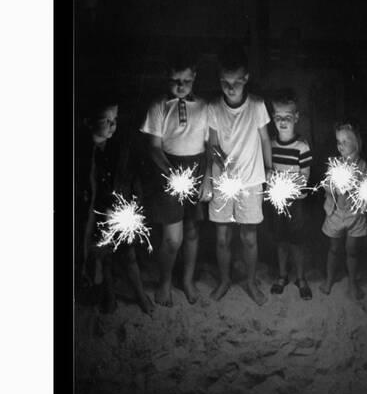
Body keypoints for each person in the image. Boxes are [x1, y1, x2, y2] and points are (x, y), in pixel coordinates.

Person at [140, 52, 211, 307]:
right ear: (166, 77)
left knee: (192, 231)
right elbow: (154, 147)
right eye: (174, 80)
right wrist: (170, 173)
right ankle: (165, 281)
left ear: (194, 78)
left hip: (197, 169)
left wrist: (207, 180)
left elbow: (209, 145)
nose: (180, 86)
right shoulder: (159, 105)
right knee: (173, 238)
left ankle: (188, 280)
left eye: (186, 81)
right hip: (169, 170)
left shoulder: (204, 106)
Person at [208, 44, 272, 306]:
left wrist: (269, 172)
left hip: (252, 180)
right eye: (225, 82)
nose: (230, 87)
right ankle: (224, 280)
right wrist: (221, 160)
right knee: (222, 236)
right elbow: (212, 144)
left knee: (248, 236)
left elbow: (265, 140)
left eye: (236, 82)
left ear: (246, 78)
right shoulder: (214, 107)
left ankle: (250, 281)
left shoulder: (257, 106)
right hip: (223, 183)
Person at [77, 96, 153, 314]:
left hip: (119, 210)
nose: (112, 125)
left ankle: (139, 293)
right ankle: (108, 295)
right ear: (89, 121)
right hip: (95, 216)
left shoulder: (117, 148)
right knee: (104, 256)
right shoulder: (82, 153)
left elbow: (129, 177)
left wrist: (130, 202)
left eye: (115, 119)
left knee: (128, 253)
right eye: (105, 119)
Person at [268, 90, 313, 300]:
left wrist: (284, 183)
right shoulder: (270, 145)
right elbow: (267, 172)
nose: (282, 121)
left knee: (297, 241)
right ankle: (282, 275)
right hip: (278, 203)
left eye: (287, 117)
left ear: (296, 117)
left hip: (296, 204)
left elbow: (304, 178)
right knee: (280, 239)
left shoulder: (302, 147)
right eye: (278, 117)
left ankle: (301, 278)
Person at [320, 122, 367, 300]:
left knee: (352, 250)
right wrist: (333, 187)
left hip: (355, 216)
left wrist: (355, 188)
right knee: (333, 249)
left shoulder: (362, 166)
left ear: (356, 143)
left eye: (345, 141)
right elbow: (326, 186)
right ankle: (329, 279)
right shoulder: (335, 164)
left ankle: (352, 284)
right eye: (338, 141)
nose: (340, 145)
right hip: (335, 214)